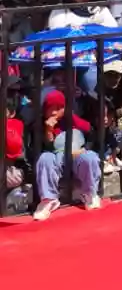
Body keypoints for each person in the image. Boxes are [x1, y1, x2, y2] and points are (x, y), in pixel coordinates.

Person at [31, 88, 102, 220]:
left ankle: (89, 193)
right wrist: (48, 130)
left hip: (76, 157)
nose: (53, 112)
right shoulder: (40, 124)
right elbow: (43, 146)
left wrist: (83, 149)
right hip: (56, 160)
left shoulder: (73, 120)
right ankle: (49, 199)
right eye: (50, 108)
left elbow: (92, 135)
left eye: (58, 108)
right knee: (44, 158)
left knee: (90, 157)